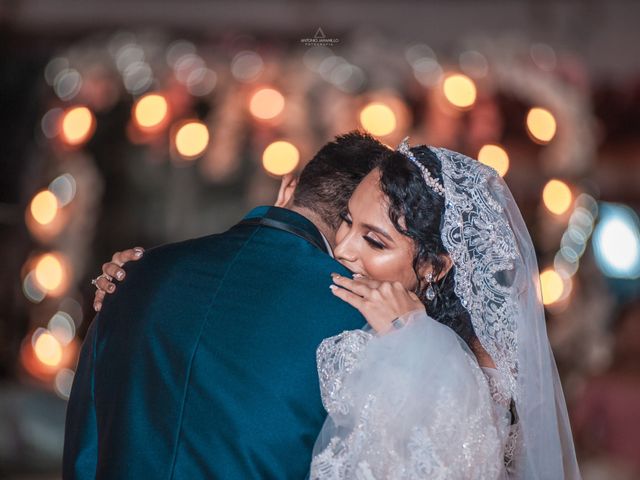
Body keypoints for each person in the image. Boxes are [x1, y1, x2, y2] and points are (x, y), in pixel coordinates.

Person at [94, 141, 581, 478]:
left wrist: (414, 342)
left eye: (373, 239)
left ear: (434, 265)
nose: (343, 250)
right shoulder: (348, 309)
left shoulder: (455, 357)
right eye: (346, 222)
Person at [63, 131, 391, 479]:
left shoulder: (131, 277)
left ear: (289, 187)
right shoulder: (359, 322)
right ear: (352, 227)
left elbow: (86, 447)